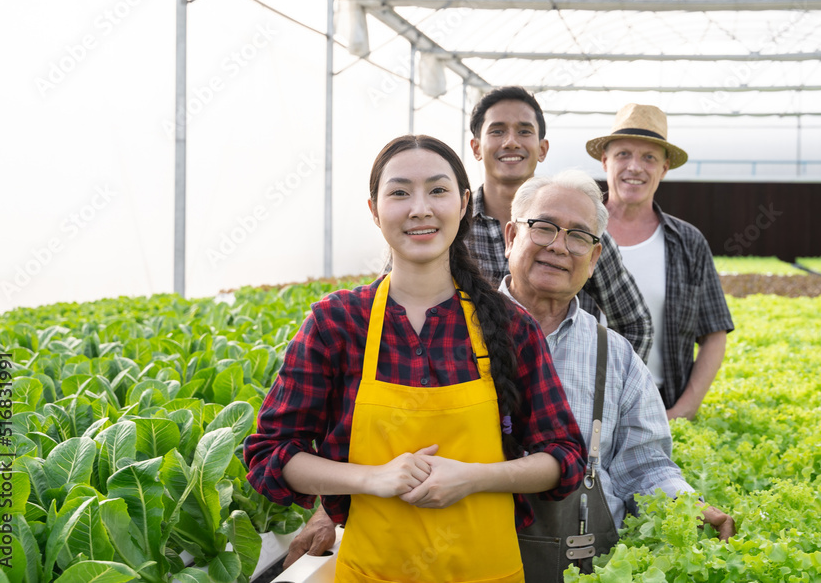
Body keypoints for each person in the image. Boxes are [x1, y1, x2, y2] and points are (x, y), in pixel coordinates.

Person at [246, 135, 587, 582]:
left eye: (438, 190)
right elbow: (271, 452)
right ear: (374, 209)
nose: (420, 208)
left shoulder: (509, 326)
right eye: (400, 192)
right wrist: (372, 479)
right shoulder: (337, 323)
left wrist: (473, 477)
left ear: (464, 203)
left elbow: (563, 457)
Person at [501, 171, 735, 580]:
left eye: (578, 237)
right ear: (510, 237)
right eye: (543, 228)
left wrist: (688, 507)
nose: (558, 246)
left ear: (593, 261)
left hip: (582, 562)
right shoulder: (457, 333)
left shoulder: (617, 356)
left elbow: (644, 465)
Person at [465, 86, 655, 363]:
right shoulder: (453, 227)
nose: (510, 142)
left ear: (542, 149)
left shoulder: (583, 234)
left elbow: (635, 324)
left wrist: (603, 388)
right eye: (497, 131)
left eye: (524, 131)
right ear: (476, 147)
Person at [586, 104, 734, 419]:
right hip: (579, 400)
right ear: (605, 162)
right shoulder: (578, 232)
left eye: (649, 157)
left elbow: (714, 335)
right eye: (623, 154)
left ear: (664, 168)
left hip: (658, 405)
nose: (635, 167)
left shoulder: (687, 243)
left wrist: (683, 410)